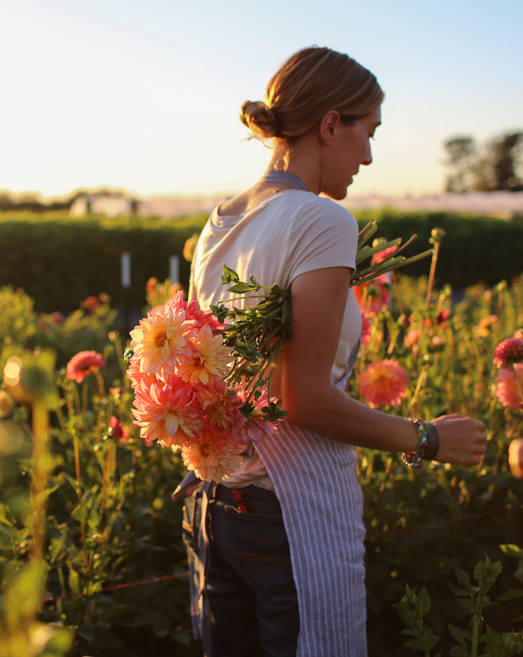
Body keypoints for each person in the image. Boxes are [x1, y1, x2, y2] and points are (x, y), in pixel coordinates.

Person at [179, 46, 487, 657]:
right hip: (294, 515)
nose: (368, 156)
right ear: (329, 125)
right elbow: (306, 400)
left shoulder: (220, 222)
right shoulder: (322, 220)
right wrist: (427, 438)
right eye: (366, 133)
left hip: (217, 506)